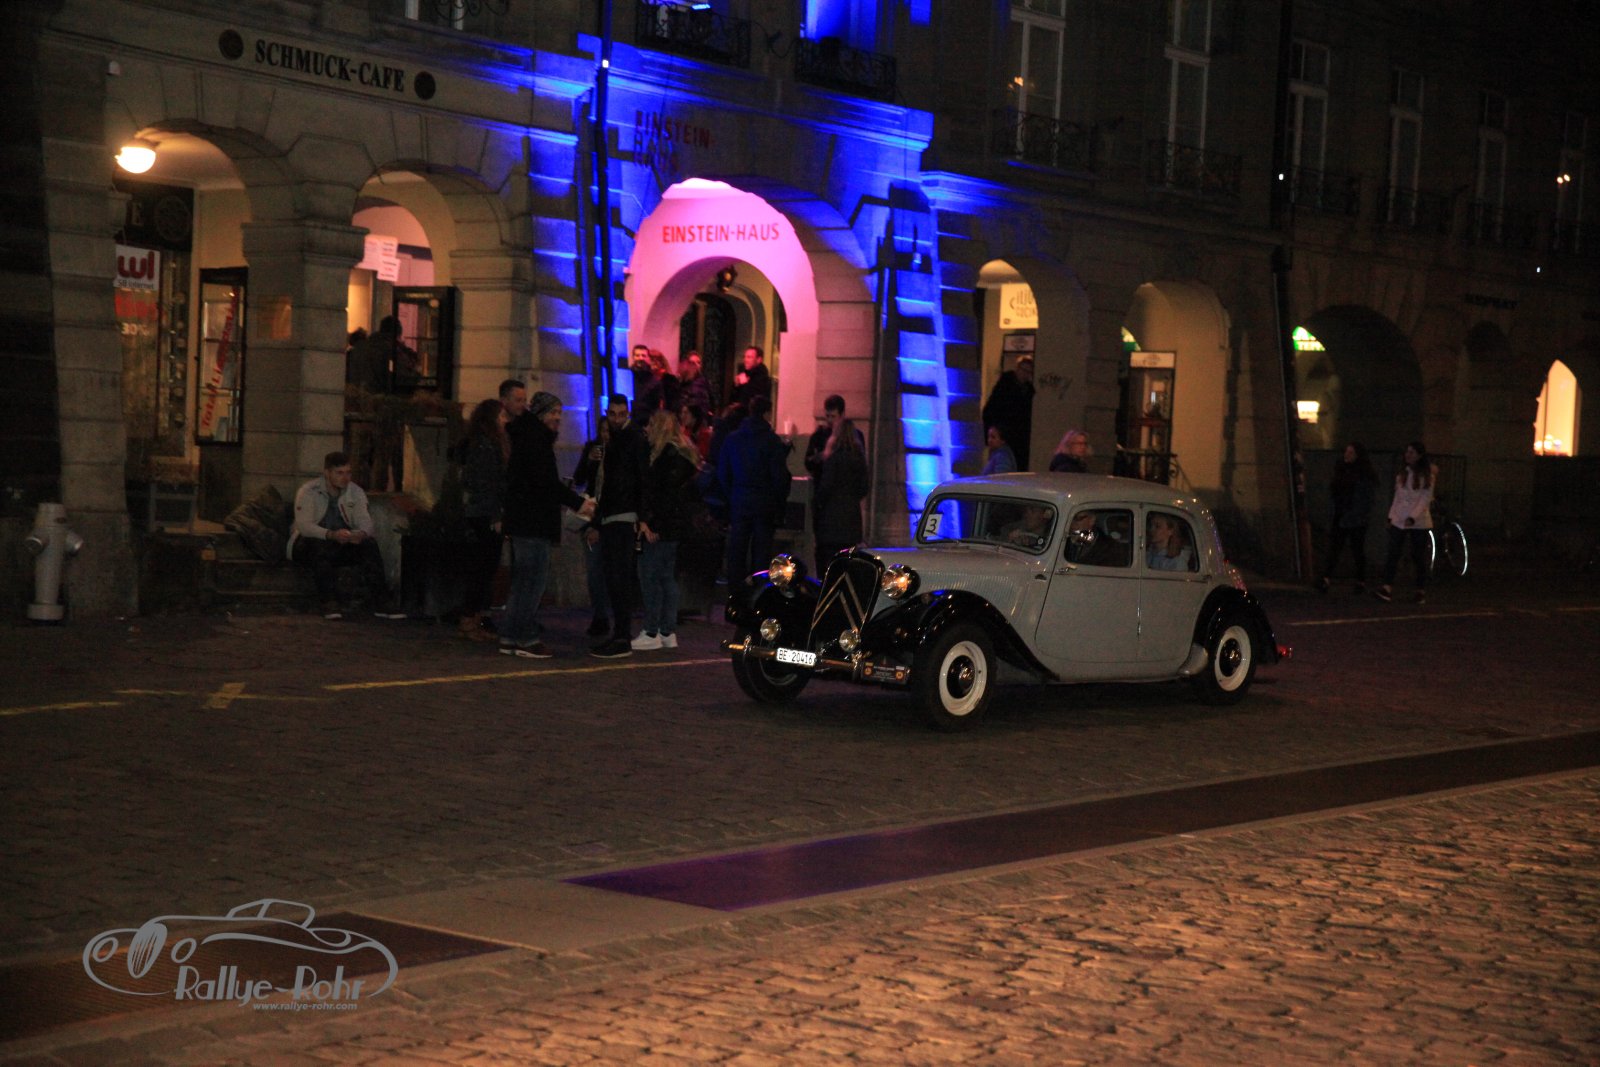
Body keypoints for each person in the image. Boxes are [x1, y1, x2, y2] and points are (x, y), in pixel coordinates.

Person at [500, 391, 593, 657]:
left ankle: (510, 634)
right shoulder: (536, 440)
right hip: (534, 521)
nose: (557, 418)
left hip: (524, 520)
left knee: (523, 581)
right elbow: (545, 483)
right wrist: (577, 502)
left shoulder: (526, 437)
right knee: (532, 582)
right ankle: (525, 638)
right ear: (541, 414)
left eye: (559, 413)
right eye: (553, 412)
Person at [289, 451, 402, 620]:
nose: (345, 478)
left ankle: (382, 601)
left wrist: (360, 534)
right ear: (327, 473)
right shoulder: (309, 491)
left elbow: (365, 521)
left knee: (369, 545)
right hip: (310, 543)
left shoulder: (355, 492)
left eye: (348, 472)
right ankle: (328, 601)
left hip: (340, 542)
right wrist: (330, 534)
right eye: (339, 473)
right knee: (317, 546)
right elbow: (305, 527)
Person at [633, 410, 700, 651]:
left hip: (661, 526)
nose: (647, 429)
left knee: (651, 577)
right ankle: (667, 631)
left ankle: (652, 630)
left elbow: (661, 496)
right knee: (666, 578)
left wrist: (650, 523)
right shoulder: (682, 457)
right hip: (674, 526)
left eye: (651, 425)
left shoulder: (665, 458)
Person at [593, 394, 651, 658]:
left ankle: (622, 636)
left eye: (620, 414)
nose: (616, 419)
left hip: (622, 515)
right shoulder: (618, 439)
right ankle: (619, 634)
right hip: (615, 514)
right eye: (613, 414)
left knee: (619, 578)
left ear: (627, 413)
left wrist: (642, 516)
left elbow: (641, 479)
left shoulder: (632, 439)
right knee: (614, 578)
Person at [719, 395, 792, 583]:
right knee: (761, 552)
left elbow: (723, 473)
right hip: (764, 503)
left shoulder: (733, 439)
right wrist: (779, 503)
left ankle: (736, 591)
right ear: (767, 413)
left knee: (737, 550)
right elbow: (779, 477)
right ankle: (758, 590)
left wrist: (732, 495)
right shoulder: (771, 440)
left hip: (739, 499)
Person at [455, 398, 509, 642]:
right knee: (482, 568)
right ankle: (469, 620)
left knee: (484, 568)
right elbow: (488, 483)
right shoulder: (485, 446)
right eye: (501, 417)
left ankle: (474, 619)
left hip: (480, 511)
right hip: (484, 513)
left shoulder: (483, 443)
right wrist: (496, 515)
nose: (505, 421)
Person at [1376, 441, 1437, 604]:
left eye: (1412, 452)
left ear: (1419, 455)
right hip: (1399, 519)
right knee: (1393, 553)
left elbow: (1425, 499)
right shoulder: (1403, 474)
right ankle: (1387, 587)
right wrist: (1391, 516)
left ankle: (1420, 590)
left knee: (1418, 556)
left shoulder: (1427, 476)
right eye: (1407, 452)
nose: (1408, 455)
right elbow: (1398, 497)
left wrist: (1413, 517)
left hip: (1419, 522)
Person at [1316, 441, 1378, 592]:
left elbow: (1365, 498)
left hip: (1356, 517)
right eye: (1346, 452)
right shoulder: (1341, 470)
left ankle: (1360, 580)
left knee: (1357, 549)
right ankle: (1326, 577)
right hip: (1341, 514)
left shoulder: (1363, 474)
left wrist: (1355, 513)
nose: (1347, 455)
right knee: (1335, 548)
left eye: (1351, 453)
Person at [812, 416, 871, 570]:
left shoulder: (833, 459)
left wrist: (817, 503)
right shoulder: (859, 459)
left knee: (828, 563)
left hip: (831, 521)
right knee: (847, 564)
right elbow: (864, 488)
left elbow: (825, 487)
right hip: (852, 520)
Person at [571, 415, 611, 638]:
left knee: (608, 570)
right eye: (602, 431)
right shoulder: (592, 448)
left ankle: (608, 614)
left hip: (611, 516)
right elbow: (579, 479)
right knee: (595, 570)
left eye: (608, 431)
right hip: (593, 512)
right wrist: (589, 460)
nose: (605, 435)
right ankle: (600, 616)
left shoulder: (621, 450)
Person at [982, 353, 1035, 470]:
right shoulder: (1006, 386)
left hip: (1018, 437)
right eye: (1023, 370)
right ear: (1017, 369)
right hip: (1005, 434)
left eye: (1028, 372)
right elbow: (991, 409)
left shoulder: (1028, 391)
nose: (1025, 374)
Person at [1065, 509, 1130, 567]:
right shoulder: (1065, 542)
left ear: (1092, 520)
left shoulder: (1112, 550)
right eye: (1069, 519)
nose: (1071, 524)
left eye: (1078, 518)